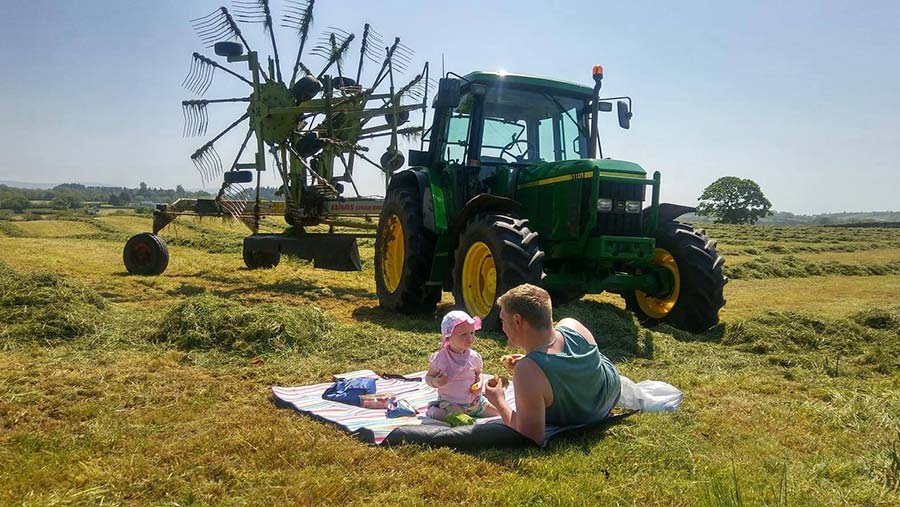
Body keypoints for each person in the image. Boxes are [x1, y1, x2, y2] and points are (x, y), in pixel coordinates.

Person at [484, 284, 621, 445]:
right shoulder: (572, 325)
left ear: (517, 320)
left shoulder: (527, 370)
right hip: (609, 393)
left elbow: (530, 436)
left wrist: (499, 401)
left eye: (503, 320)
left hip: (587, 415)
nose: (503, 327)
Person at [424, 310, 499, 420]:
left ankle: (468, 416)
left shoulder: (474, 357)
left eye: (472, 333)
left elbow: (479, 373)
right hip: (452, 403)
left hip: (475, 403)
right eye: (463, 334)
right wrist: (436, 382)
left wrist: (479, 383)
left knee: (498, 413)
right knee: (454, 416)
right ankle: (435, 411)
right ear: (448, 336)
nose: (469, 338)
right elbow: (428, 377)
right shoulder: (441, 358)